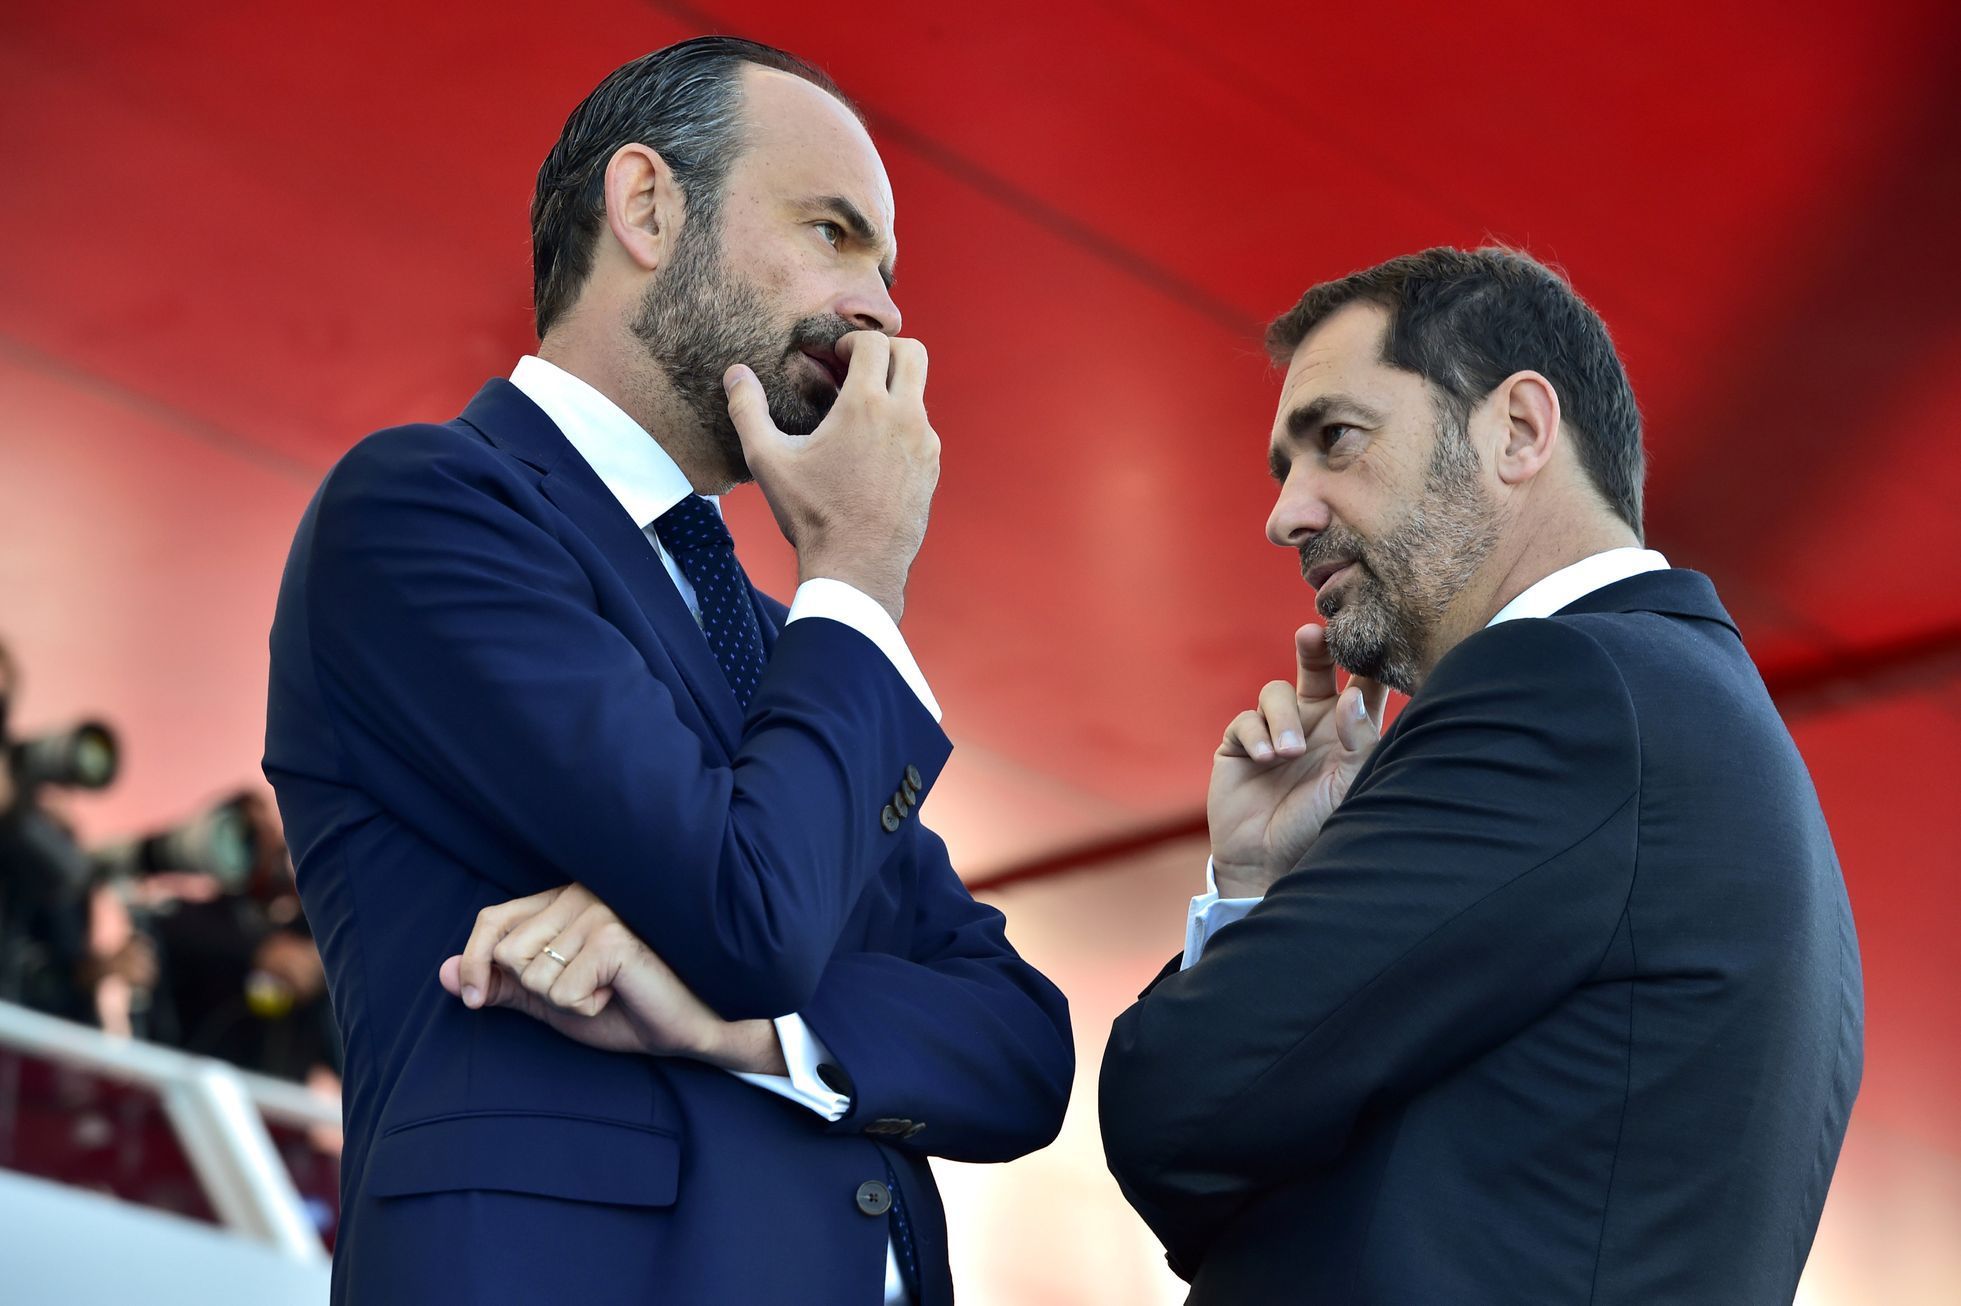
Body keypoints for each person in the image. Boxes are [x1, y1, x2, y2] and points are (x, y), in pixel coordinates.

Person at [263, 38, 1071, 1306]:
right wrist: (857, 568)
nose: (881, 312)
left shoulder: (789, 642)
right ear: (646, 207)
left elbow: (1021, 1045)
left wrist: (743, 1028)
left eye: (885, 268)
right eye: (833, 233)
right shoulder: (424, 509)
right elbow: (753, 915)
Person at [1099, 247, 1862, 1304]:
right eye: (1284, 470)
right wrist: (1258, 885)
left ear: (1518, 429)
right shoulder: (1690, 717)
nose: (1287, 515)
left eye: (1335, 439)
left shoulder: (1565, 689)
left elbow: (1178, 1104)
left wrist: (1252, 924)